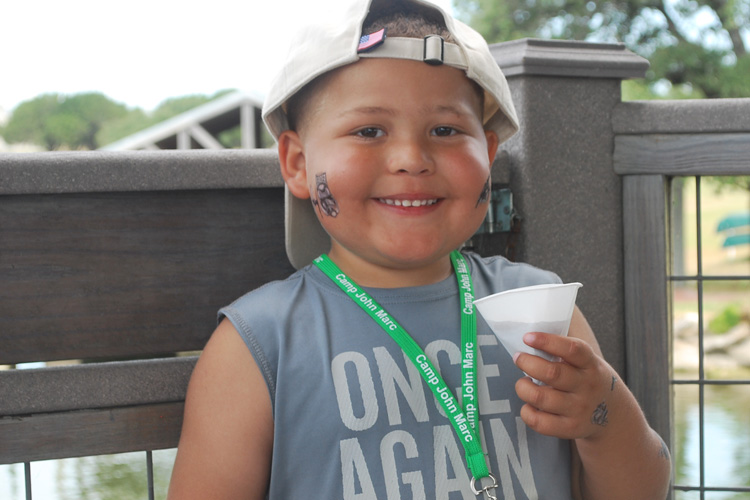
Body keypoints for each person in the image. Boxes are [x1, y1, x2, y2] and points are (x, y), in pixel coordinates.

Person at [167, 0, 672, 498]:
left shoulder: (541, 308)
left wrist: (603, 413)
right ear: (298, 163)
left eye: (446, 130)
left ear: (489, 157)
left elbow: (644, 490)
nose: (412, 158)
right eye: (369, 131)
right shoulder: (258, 346)